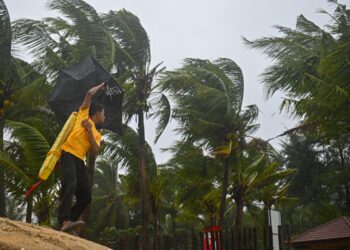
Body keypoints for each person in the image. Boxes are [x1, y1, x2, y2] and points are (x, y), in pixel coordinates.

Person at [59, 82, 106, 232]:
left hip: (79, 160)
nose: (104, 116)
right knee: (70, 184)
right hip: (68, 154)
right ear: (97, 112)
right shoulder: (83, 114)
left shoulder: (98, 134)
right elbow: (89, 95)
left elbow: (94, 149)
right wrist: (100, 87)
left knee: (86, 195)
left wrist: (89, 131)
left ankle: (70, 222)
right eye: (103, 113)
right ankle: (64, 221)